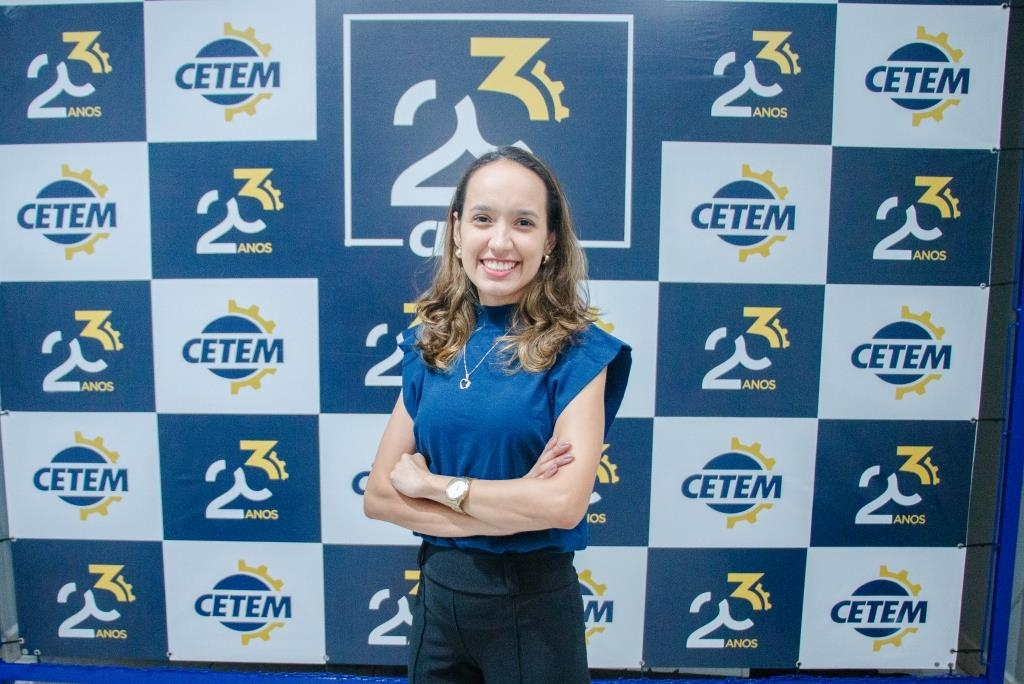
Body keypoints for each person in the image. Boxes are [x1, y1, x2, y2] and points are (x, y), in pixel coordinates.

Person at [364, 145, 631, 683]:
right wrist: (513, 504)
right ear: (457, 230)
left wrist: (434, 486)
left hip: (533, 612)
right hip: (437, 604)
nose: (501, 241)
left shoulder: (580, 352)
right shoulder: (430, 344)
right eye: (483, 219)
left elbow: (561, 505)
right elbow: (380, 497)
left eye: (524, 223)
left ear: (550, 241)